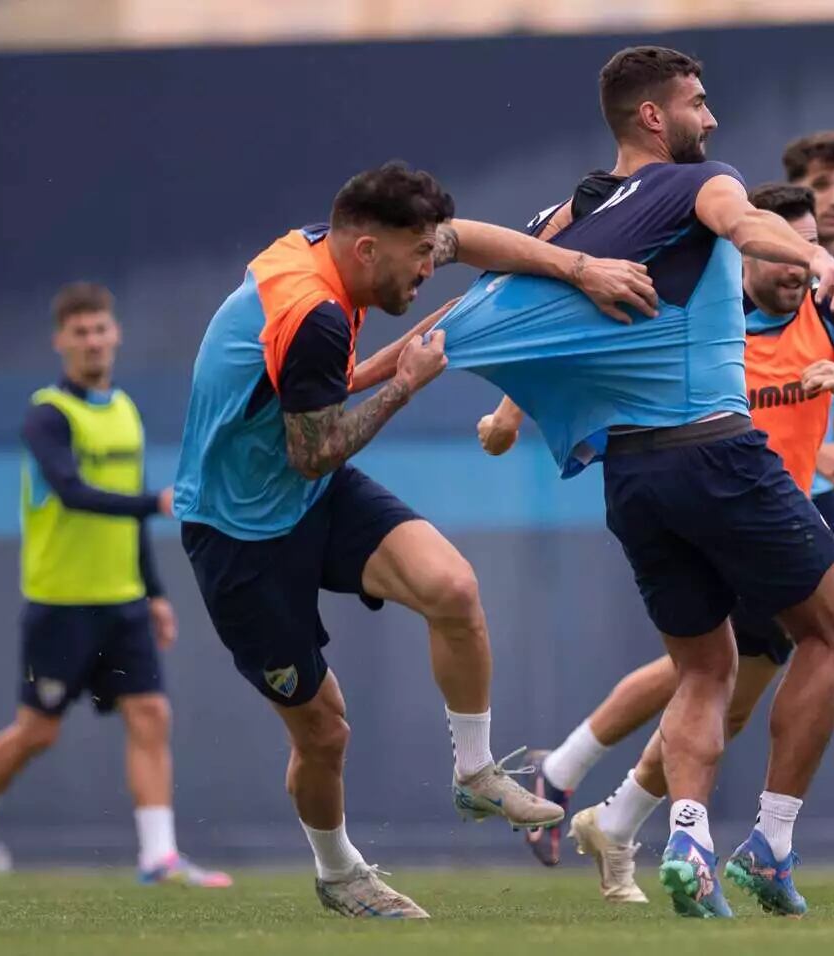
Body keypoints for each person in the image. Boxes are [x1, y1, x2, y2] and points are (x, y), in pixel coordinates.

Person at [438, 46, 834, 919]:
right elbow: (745, 225)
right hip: (718, 453)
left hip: (631, 478)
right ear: (653, 117)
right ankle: (772, 846)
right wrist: (815, 259)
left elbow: (535, 311)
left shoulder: (578, 213)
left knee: (704, 669)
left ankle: (688, 841)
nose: (711, 120)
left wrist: (509, 416)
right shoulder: (703, 184)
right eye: (699, 104)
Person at [172, 161, 658, 919]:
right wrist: (405, 383)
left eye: (435, 254)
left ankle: (474, 772)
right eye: (420, 257)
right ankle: (338, 872)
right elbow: (314, 448)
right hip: (240, 534)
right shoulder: (313, 314)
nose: (431, 270)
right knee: (326, 731)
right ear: (367, 249)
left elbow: (468, 242)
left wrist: (579, 265)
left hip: (306, 495)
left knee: (452, 588)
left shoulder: (325, 248)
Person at [480, 184, 834, 908]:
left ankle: (614, 819)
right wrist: (505, 412)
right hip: (718, 505)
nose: (798, 268)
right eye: (784, 251)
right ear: (745, 248)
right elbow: (581, 334)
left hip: (768, 514)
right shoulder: (703, 307)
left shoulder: (833, 309)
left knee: (717, 688)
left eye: (811, 254)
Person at [0, 282, 231, 890]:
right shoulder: (48, 415)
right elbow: (72, 493)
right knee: (36, 732)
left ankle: (159, 858)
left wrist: (154, 593)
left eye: (101, 328)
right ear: (61, 342)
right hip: (60, 604)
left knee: (150, 715)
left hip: (121, 600)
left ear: (115, 334)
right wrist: (153, 502)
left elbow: (130, 513)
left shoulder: (124, 409)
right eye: (81, 332)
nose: (93, 340)